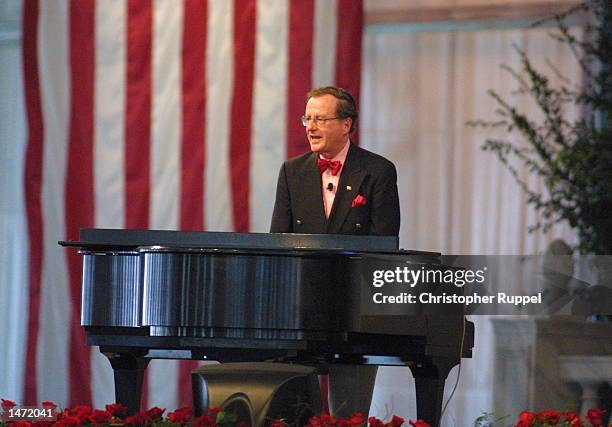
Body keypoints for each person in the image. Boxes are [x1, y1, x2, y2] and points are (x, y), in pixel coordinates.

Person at [270, 86, 401, 417]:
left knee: (347, 414)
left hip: (354, 311)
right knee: (296, 411)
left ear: (346, 124)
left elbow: (384, 246)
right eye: (307, 118)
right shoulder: (291, 171)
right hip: (300, 310)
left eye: (320, 119)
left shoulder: (378, 171)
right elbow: (278, 242)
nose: (310, 127)